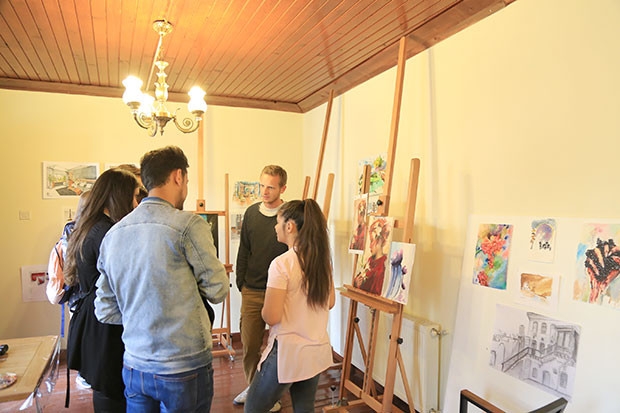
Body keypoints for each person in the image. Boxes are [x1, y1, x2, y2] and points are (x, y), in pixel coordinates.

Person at [94, 145, 229, 413]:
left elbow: (104, 309)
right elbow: (217, 290)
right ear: (178, 176)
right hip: (183, 364)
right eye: (187, 180)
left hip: (135, 363)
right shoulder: (188, 225)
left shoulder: (114, 234)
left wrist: (143, 317)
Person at [244, 199, 335, 413]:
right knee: (304, 408)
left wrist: (264, 307)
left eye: (278, 222)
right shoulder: (322, 262)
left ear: (290, 226)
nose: (275, 227)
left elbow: (271, 317)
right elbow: (330, 303)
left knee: (252, 408)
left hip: (287, 351)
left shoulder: (282, 264)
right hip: (314, 348)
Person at [65, 168, 141, 411]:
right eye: (134, 196)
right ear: (120, 195)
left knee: (106, 387)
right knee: (111, 387)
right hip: (104, 322)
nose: (136, 203)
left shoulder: (91, 225)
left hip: (93, 316)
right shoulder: (106, 232)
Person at [234, 165, 289, 411]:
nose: (264, 191)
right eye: (262, 186)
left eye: (271, 187)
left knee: (281, 347)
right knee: (250, 346)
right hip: (252, 290)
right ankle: (254, 390)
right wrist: (241, 281)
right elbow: (244, 249)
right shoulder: (251, 213)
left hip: (282, 291)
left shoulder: (289, 215)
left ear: (282, 189)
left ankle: (273, 394)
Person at [353, 217, 391, 295]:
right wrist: (356, 283)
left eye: (372, 241)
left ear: (380, 241)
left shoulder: (382, 268)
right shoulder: (369, 262)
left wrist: (360, 286)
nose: (370, 246)